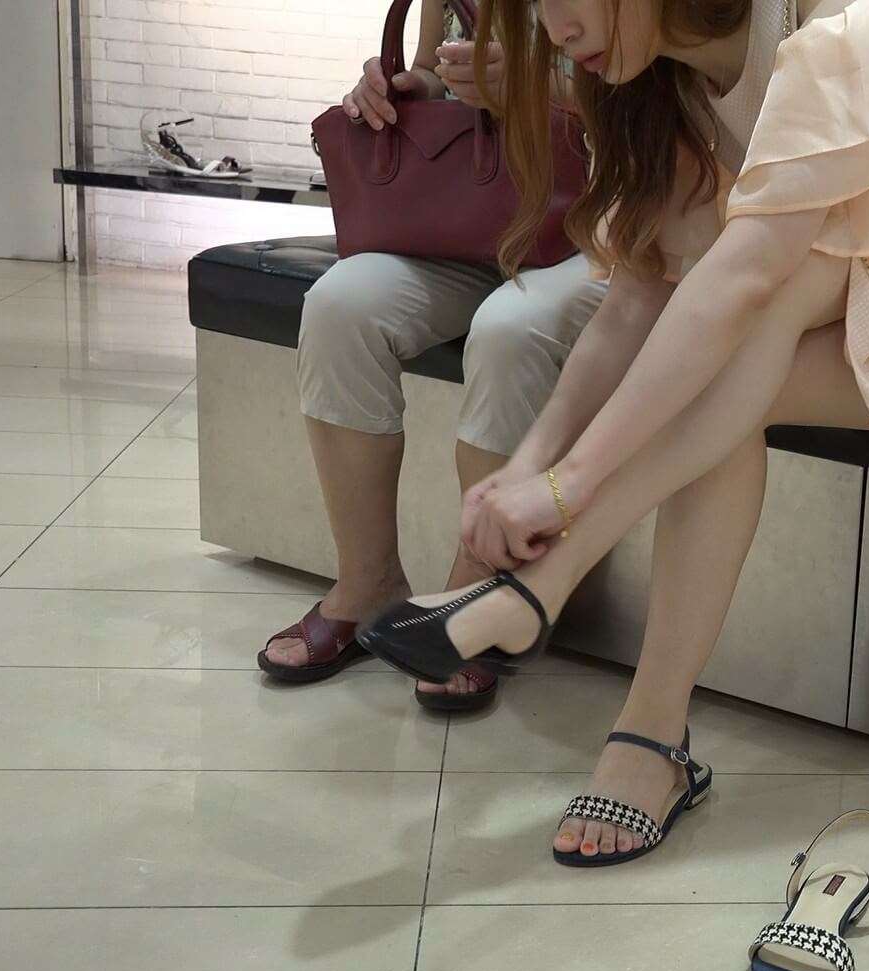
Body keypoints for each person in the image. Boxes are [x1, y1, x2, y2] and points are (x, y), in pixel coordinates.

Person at [357, 0, 869, 864]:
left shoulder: (843, 21)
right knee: (736, 363)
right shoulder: (657, 78)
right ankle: (644, 726)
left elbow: (747, 277)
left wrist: (566, 489)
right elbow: (635, 296)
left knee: (766, 290)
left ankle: (550, 600)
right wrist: (531, 464)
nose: (554, 27)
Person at [255, 0, 609, 712]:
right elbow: (431, 71)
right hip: (472, 217)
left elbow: (662, 103)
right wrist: (403, 88)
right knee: (339, 306)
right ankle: (368, 583)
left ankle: (470, 599)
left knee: (512, 329)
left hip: (590, 224)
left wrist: (537, 88)